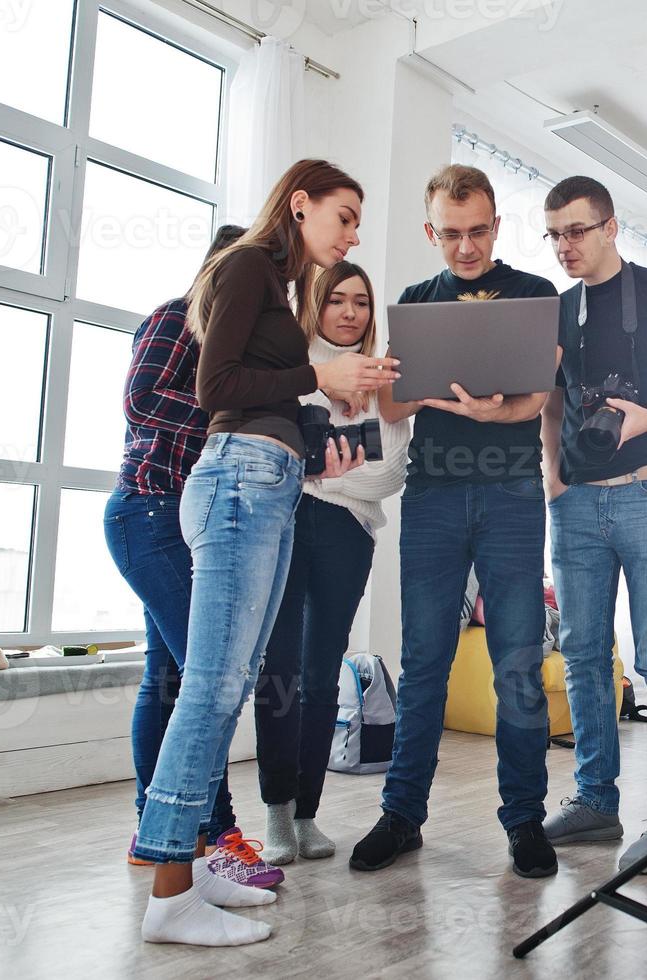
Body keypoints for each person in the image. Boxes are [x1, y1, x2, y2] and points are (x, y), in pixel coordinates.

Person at [134, 159, 398, 947]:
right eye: (343, 215)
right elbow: (216, 387)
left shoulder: (278, 289)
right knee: (211, 688)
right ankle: (170, 891)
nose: (352, 233)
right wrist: (318, 372)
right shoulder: (247, 264)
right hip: (239, 481)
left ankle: (200, 863)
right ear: (300, 204)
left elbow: (266, 400)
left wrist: (325, 445)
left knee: (231, 682)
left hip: (272, 477)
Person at [348, 164, 559, 879]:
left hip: (510, 495)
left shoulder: (534, 295)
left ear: (496, 226)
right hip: (433, 495)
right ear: (429, 230)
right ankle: (402, 814)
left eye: (476, 232)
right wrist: (425, 394)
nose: (464, 247)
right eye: (449, 234)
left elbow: (534, 401)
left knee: (518, 666)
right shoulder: (414, 303)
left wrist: (492, 411)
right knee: (424, 662)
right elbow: (392, 409)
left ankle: (524, 821)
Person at [106, 223, 282, 890]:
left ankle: (154, 835)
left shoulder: (240, 353)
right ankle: (214, 836)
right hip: (146, 516)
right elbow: (141, 400)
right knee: (211, 680)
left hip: (189, 527)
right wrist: (235, 412)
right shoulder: (175, 321)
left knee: (171, 678)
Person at [538, 176, 647, 873]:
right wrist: (552, 479)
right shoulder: (555, 310)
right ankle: (595, 803)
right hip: (575, 503)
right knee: (581, 657)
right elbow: (548, 403)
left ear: (609, 226)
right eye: (552, 234)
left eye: (574, 231)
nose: (563, 246)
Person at [255, 261, 412, 865]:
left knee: (324, 674)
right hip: (290, 522)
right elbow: (287, 461)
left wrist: (323, 473)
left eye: (361, 302)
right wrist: (321, 471)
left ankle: (306, 814)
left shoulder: (386, 381)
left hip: (349, 534)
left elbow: (388, 474)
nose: (350, 312)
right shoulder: (300, 373)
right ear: (317, 305)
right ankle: (274, 812)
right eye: (337, 300)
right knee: (282, 669)